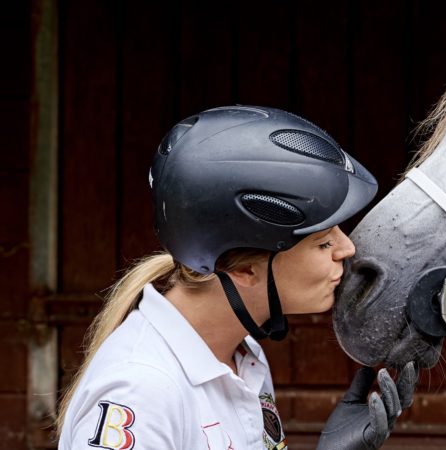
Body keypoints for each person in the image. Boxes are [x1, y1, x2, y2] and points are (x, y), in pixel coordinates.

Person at [56, 105, 417, 450]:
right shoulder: (140, 391)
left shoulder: (243, 358)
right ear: (243, 270)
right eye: (322, 243)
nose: (347, 249)